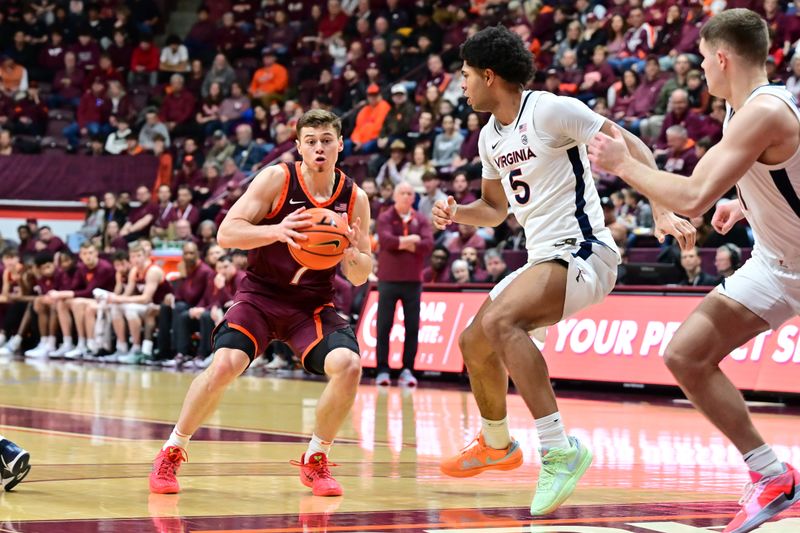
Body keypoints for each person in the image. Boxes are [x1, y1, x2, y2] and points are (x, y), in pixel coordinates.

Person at [432, 25, 694, 516]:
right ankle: (496, 444)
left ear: (490, 76)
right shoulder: (490, 137)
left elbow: (634, 147)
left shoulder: (551, 110)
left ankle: (559, 450)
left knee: (501, 322)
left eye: (466, 76)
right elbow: (493, 209)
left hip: (586, 250)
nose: (461, 85)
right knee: (473, 343)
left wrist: (660, 208)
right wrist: (457, 212)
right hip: (543, 257)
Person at [587, 9, 800, 532]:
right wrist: (749, 203)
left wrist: (623, 164)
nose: (701, 68)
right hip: (777, 261)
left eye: (704, 59)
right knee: (686, 354)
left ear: (722, 58)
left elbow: (693, 197)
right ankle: (772, 475)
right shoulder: (741, 110)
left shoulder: (764, 110)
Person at [149, 109, 372, 498]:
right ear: (298, 146)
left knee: (349, 366)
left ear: (340, 144)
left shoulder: (355, 198)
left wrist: (353, 253)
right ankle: (172, 449)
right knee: (226, 364)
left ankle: (316, 459)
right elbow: (226, 233)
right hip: (261, 296)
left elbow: (359, 275)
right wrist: (278, 230)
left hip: (312, 305)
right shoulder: (277, 178)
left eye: (326, 140)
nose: (319, 147)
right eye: (311, 141)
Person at [374, 181, 434, 387]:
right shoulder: (385, 217)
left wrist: (402, 243)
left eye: (410, 193)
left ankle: (407, 369)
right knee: (384, 326)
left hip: (413, 282)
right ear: (395, 196)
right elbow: (386, 240)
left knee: (412, 327)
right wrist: (411, 241)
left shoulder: (422, 219)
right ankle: (382, 369)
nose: (407, 196)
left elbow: (428, 245)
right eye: (403, 192)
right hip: (388, 280)